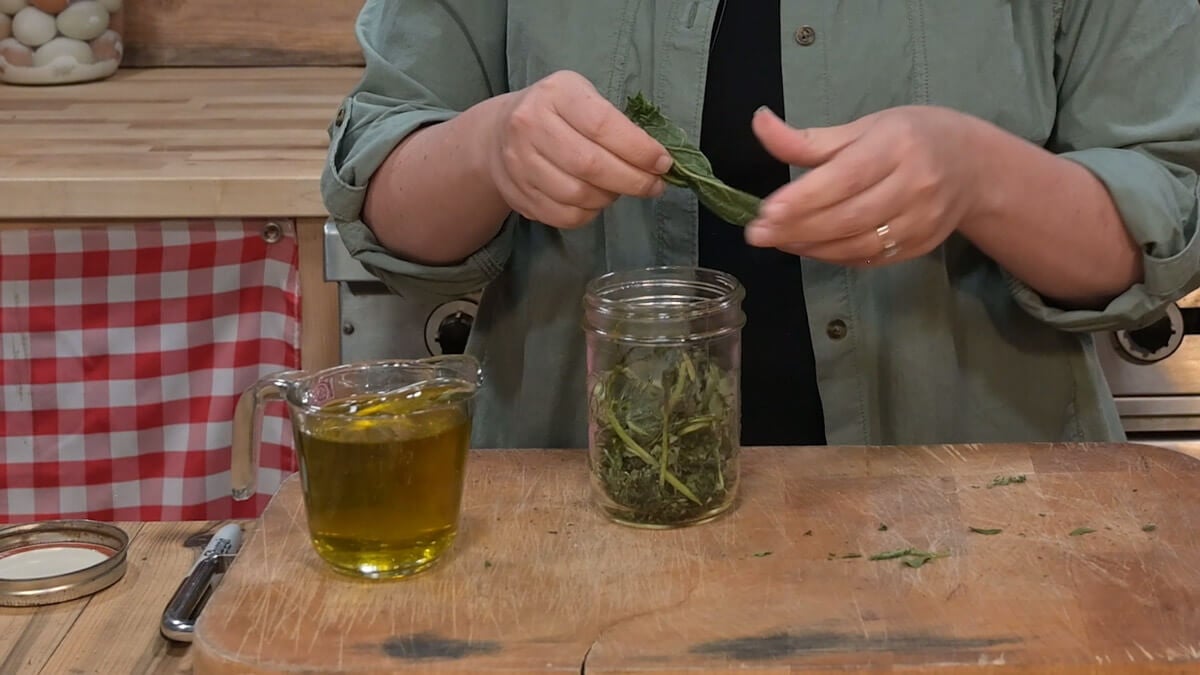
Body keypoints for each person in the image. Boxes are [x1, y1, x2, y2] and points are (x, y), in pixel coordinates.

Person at [321, 1, 1200, 449]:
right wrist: (489, 149)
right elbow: (390, 197)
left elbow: (1161, 215)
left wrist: (982, 177)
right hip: (574, 516)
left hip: (978, 512)